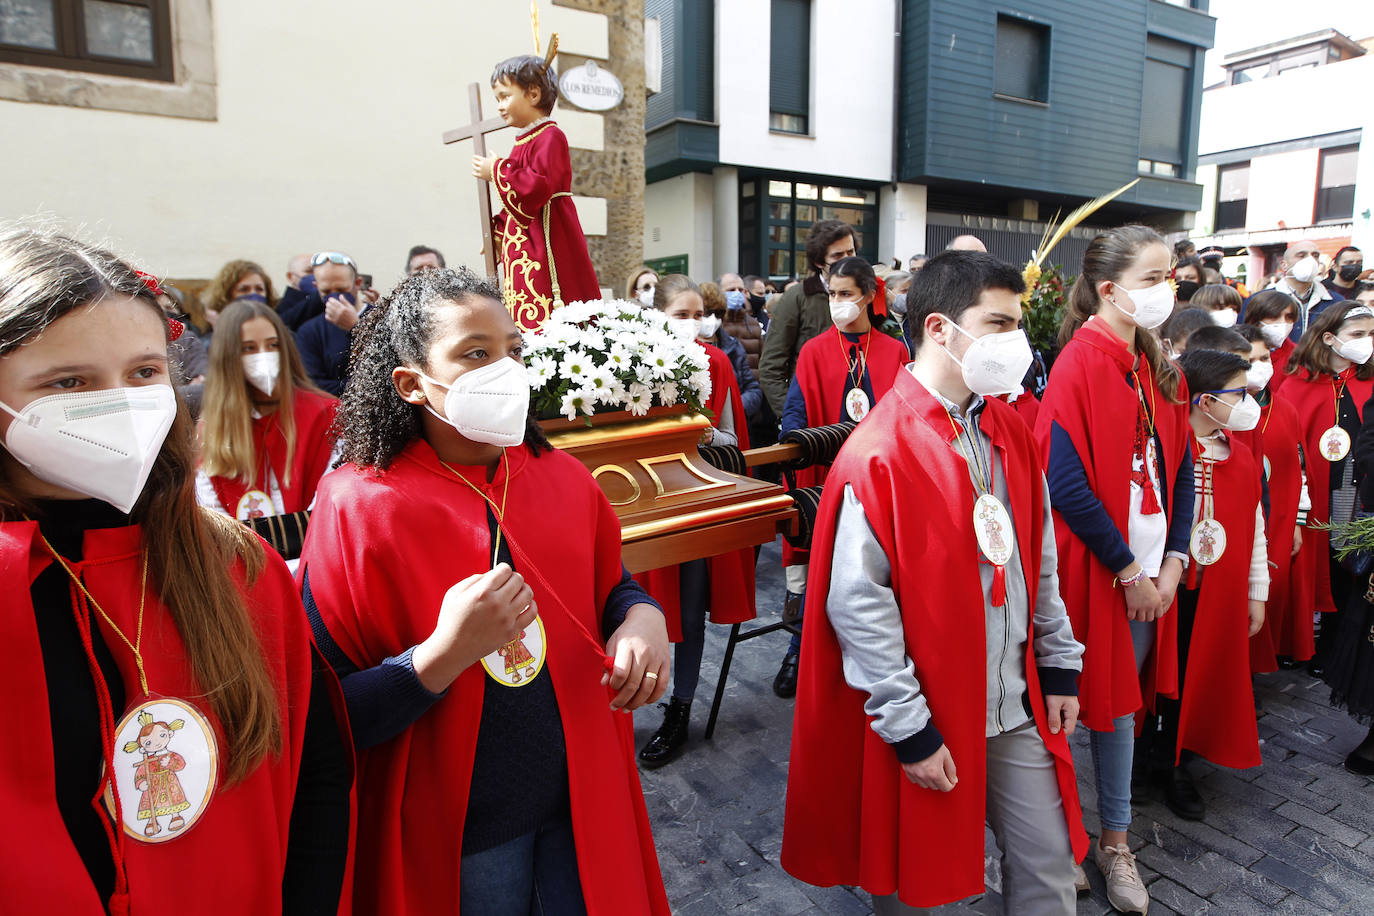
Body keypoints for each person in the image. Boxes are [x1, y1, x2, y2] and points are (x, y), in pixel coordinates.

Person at [300, 266, 671, 914]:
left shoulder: (560, 476)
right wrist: (441, 655)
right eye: (476, 353)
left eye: (512, 351)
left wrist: (641, 616)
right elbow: (326, 716)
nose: (505, 370)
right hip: (461, 835)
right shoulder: (359, 507)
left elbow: (608, 585)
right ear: (412, 383)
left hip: (580, 802)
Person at [0, 227, 350, 911]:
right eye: (69, 382)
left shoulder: (238, 570)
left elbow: (314, 779)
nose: (120, 404)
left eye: (142, 373)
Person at [783, 250, 1087, 914]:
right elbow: (859, 606)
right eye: (999, 324)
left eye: (1018, 326)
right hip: (930, 712)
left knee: (1049, 870)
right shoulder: (880, 450)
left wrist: (1060, 664)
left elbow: (1038, 558)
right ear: (942, 329)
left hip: (1011, 706)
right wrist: (910, 728)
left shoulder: (1010, 427)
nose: (1017, 344)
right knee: (918, 889)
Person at [1036, 225, 1194, 915]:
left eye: (1171, 278)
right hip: (1097, 571)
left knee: (1120, 710)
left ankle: (1115, 841)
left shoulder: (1158, 364)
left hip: (1152, 571)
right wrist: (1129, 569)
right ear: (1110, 289)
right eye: (1156, 279)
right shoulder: (1078, 363)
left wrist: (1174, 562)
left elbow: (1185, 466)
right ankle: (1063, 841)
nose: (1170, 291)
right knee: (1071, 708)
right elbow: (1065, 485)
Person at [771, 257, 910, 699]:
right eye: (832, 294)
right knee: (819, 570)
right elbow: (795, 411)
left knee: (874, 573)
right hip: (825, 474)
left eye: (846, 294)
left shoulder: (895, 351)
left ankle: (880, 661)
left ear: (870, 295)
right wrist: (795, 447)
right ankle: (799, 649)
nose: (838, 303)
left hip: (879, 478)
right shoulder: (814, 350)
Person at [1138, 343, 1266, 821]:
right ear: (1207, 401)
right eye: (1240, 394)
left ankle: (1176, 762)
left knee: (1197, 676)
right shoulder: (1165, 449)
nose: (1249, 403)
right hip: (1167, 586)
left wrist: (1257, 590)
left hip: (1218, 594)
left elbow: (1253, 526)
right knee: (1154, 675)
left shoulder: (1242, 456)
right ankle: (1140, 756)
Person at [635, 275, 756, 767]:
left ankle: (680, 708)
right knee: (638, 605)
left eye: (695, 315)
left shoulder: (718, 361)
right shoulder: (631, 364)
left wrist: (698, 436)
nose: (690, 325)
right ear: (656, 315)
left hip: (697, 503)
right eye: (678, 316)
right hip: (645, 504)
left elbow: (732, 440)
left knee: (688, 611)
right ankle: (629, 695)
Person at [195, 300, 339, 564]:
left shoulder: (326, 414)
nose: (264, 355)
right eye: (249, 348)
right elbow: (211, 517)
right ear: (229, 357)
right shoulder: (213, 427)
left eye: (272, 345)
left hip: (315, 563)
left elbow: (330, 506)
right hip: (242, 568)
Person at [1279, 302, 1374, 677]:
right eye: (1357, 335)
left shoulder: (1369, 380)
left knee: (1348, 565)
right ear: (1329, 337)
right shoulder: (1297, 383)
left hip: (1355, 486)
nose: (1367, 342)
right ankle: (1297, 642)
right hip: (1314, 488)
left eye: (1371, 334)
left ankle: (1335, 647)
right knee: (1305, 565)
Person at [473, 54, 600, 329]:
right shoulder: (522, 141)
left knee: (551, 312)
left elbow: (535, 189)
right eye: (497, 99)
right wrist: (498, 233)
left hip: (550, 236)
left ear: (532, 94)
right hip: (527, 239)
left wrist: (496, 170)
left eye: (505, 96)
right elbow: (516, 205)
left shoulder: (550, 136)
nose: (500, 106)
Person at [1232, 323, 1309, 671]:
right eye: (1251, 359)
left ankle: (1254, 667)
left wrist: (1295, 521)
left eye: (1265, 357)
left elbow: (1296, 470)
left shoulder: (1287, 409)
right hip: (1234, 523)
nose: (1261, 365)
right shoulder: (1219, 411)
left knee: (1265, 594)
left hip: (1274, 520)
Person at [758, 219, 857, 416]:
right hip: (813, 414)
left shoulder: (867, 294)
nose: (847, 260)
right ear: (820, 262)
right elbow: (771, 368)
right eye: (838, 255)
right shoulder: (797, 297)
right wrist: (793, 417)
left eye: (851, 252)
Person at [296, 251, 365, 395]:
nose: (334, 296)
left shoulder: (382, 317)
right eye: (326, 291)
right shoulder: (309, 331)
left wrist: (356, 328)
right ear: (316, 287)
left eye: (341, 289)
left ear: (357, 284)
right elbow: (314, 385)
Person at [699, 282, 764, 428]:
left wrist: (732, 409)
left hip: (732, 426)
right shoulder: (687, 348)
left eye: (718, 314)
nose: (713, 319)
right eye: (707, 313)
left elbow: (753, 388)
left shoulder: (733, 346)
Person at [1275, 239, 1342, 341]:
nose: (1310, 260)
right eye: (1301, 255)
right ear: (1284, 265)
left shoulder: (1336, 302)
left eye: (1315, 255)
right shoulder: (1262, 299)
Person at [1241, 289, 1301, 387]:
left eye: (1289, 317)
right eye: (1274, 316)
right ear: (1255, 319)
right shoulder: (1234, 350)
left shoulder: (1299, 356)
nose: (1283, 322)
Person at [201, 259, 276, 335]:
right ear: (227, 295)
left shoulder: (278, 332)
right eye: (244, 289)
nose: (253, 294)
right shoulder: (210, 341)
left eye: (259, 289)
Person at [719, 272, 764, 373]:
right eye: (731, 290)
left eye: (740, 290)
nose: (737, 293)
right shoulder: (713, 324)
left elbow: (762, 360)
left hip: (752, 385)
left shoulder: (753, 324)